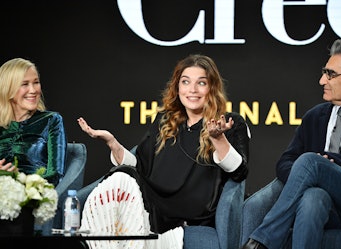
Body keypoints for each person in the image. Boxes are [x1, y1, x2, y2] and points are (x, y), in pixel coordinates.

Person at [77, 54, 250, 248]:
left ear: (212, 88)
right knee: (120, 177)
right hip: (153, 207)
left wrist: (218, 139)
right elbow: (139, 166)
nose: (192, 89)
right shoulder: (165, 120)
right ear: (177, 87)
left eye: (201, 83)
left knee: (121, 182)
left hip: (192, 213)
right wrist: (113, 143)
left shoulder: (229, 122)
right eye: (185, 82)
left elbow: (239, 172)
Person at [241, 39, 341, 249]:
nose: (322, 80)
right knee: (313, 196)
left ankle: (262, 239)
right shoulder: (315, 116)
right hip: (321, 206)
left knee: (312, 161)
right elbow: (285, 162)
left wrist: (330, 164)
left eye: (330, 74)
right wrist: (309, 177)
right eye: (324, 72)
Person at [0, 58, 67, 187]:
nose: (33, 90)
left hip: (34, 198)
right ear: (8, 89)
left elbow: (55, 176)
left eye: (36, 82)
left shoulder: (51, 120)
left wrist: (21, 182)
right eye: (25, 84)